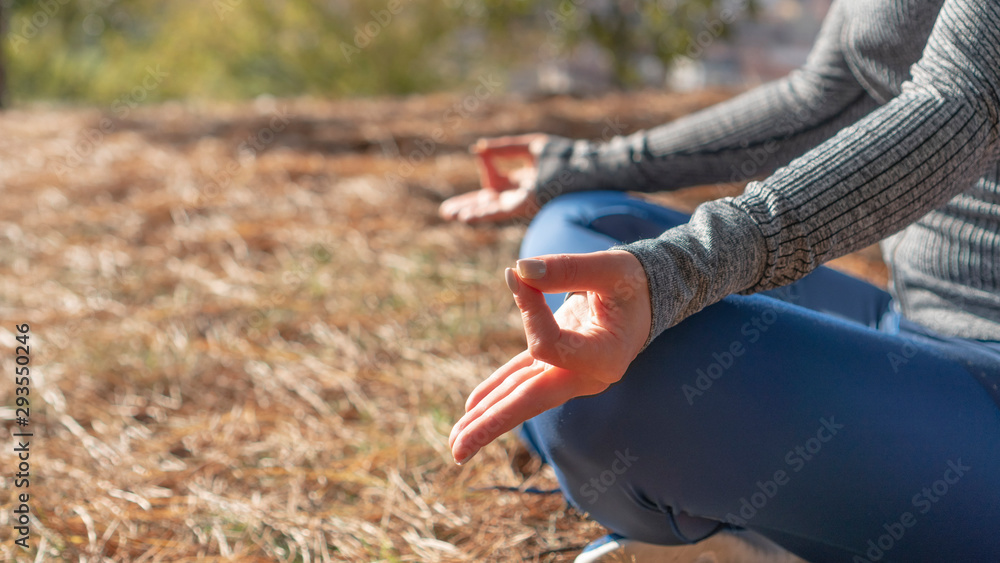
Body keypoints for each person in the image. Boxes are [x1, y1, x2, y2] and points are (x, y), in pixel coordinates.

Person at [443, 0, 1000, 561]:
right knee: (579, 228)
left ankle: (765, 523)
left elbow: (962, 104)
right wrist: (589, 164)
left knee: (612, 394)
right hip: (906, 318)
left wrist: (680, 269)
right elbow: (828, 95)